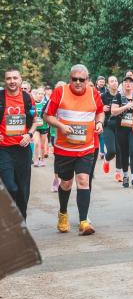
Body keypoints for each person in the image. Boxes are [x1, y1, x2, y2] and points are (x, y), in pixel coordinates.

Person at [44, 64, 105, 235]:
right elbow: (47, 116)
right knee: (66, 183)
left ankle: (84, 222)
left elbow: (100, 112)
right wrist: (61, 126)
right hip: (64, 149)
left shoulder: (93, 93)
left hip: (86, 148)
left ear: (87, 80)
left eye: (82, 80)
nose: (78, 82)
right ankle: (63, 213)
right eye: (74, 79)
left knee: (84, 181)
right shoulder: (60, 92)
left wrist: (99, 122)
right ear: (70, 78)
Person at [0, 68, 37, 219]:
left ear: (20, 80)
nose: (12, 81)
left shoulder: (27, 98)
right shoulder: (1, 97)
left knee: (22, 190)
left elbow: (35, 121)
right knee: (9, 187)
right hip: (4, 150)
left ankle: (21, 222)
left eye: (15, 78)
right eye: (9, 78)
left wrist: (29, 134)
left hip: (22, 149)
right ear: (5, 80)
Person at [111, 75, 133, 188]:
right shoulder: (119, 96)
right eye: (126, 82)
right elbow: (113, 111)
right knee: (124, 153)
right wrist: (126, 106)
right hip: (121, 129)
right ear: (123, 84)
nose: (128, 84)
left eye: (130, 82)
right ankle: (125, 176)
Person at [101, 76, 123, 181]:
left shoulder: (121, 96)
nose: (114, 83)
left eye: (116, 81)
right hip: (107, 126)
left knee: (119, 150)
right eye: (112, 81)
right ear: (108, 84)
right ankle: (106, 159)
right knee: (112, 150)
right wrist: (101, 108)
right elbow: (95, 110)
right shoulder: (103, 96)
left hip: (120, 126)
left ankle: (118, 173)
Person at [33, 87, 49, 167]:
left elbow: (49, 115)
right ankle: (36, 160)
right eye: (39, 94)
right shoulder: (33, 103)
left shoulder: (45, 103)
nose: (40, 95)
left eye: (42, 94)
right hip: (35, 127)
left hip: (44, 127)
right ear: (36, 94)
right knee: (36, 143)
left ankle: (42, 160)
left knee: (42, 145)